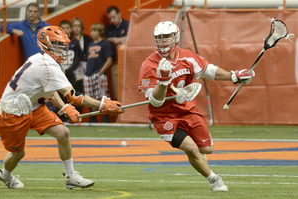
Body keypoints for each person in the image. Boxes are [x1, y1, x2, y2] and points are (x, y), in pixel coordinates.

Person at [0, 26, 124, 189]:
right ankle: (6, 175)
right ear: (46, 45)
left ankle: (70, 176)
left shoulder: (41, 59)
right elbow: (74, 96)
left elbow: (48, 90)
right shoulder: (47, 65)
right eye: (58, 45)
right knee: (18, 153)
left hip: (34, 106)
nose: (63, 49)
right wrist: (103, 104)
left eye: (62, 44)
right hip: (13, 112)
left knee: (63, 133)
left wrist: (64, 107)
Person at [138, 21, 256, 192]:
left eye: (167, 37)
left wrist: (234, 76)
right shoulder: (149, 65)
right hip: (163, 116)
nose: (163, 41)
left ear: (175, 37)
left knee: (206, 149)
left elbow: (211, 71)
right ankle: (214, 179)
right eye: (159, 38)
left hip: (187, 110)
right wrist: (163, 82)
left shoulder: (187, 57)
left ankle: (200, 159)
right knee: (191, 149)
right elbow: (155, 101)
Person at [84, 23, 113, 123]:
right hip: (89, 75)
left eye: (95, 31)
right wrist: (86, 72)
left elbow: (109, 60)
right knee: (90, 97)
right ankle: (93, 117)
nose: (92, 33)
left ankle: (105, 116)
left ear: (100, 32)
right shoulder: (90, 44)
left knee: (102, 95)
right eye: (92, 30)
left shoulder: (105, 44)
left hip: (99, 75)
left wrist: (100, 72)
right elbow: (88, 60)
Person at [105, 5, 129, 100]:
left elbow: (133, 38)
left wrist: (118, 40)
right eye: (110, 18)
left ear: (119, 14)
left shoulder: (128, 25)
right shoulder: (108, 29)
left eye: (114, 17)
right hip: (115, 63)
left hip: (128, 62)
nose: (112, 20)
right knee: (117, 93)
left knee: (129, 90)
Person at [71, 17, 93, 114]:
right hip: (72, 67)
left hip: (85, 66)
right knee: (73, 91)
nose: (76, 28)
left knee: (84, 90)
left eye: (78, 26)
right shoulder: (69, 39)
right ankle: (73, 112)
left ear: (82, 27)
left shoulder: (87, 39)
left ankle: (84, 113)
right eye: (74, 26)